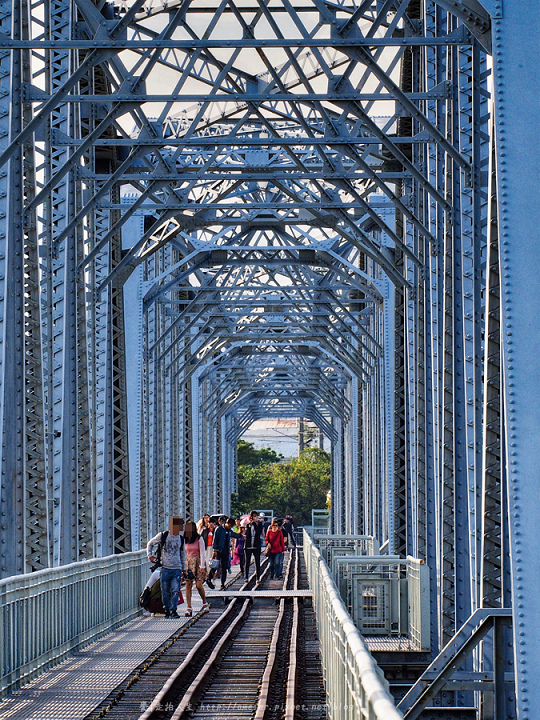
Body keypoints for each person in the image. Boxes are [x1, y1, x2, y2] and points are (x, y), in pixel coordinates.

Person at [147, 516, 186, 619]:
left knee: (175, 590)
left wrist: (184, 569)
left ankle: (173, 610)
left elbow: (182, 554)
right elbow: (150, 543)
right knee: (165, 591)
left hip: (177, 568)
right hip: (165, 568)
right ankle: (167, 609)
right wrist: (150, 555)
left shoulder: (181, 539)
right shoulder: (163, 536)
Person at [183, 520, 210, 617]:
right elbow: (183, 552)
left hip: (198, 562)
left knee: (199, 585)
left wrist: (202, 565)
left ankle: (204, 602)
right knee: (188, 585)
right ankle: (189, 607)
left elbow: (202, 552)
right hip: (188, 563)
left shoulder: (199, 539)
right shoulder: (184, 539)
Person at [244, 510, 264, 580]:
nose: (256, 518)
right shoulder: (248, 525)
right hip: (248, 545)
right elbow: (246, 534)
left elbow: (259, 532)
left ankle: (258, 577)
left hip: (256, 545)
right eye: (254, 516)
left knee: (257, 562)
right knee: (247, 562)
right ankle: (246, 577)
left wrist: (255, 524)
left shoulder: (259, 524)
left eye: (256, 516)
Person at [204, 520, 216, 589]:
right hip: (206, 548)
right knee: (207, 563)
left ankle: (213, 578)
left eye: (212, 522)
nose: (211, 524)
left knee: (213, 563)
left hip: (213, 548)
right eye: (210, 522)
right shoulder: (205, 531)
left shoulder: (215, 531)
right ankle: (207, 578)